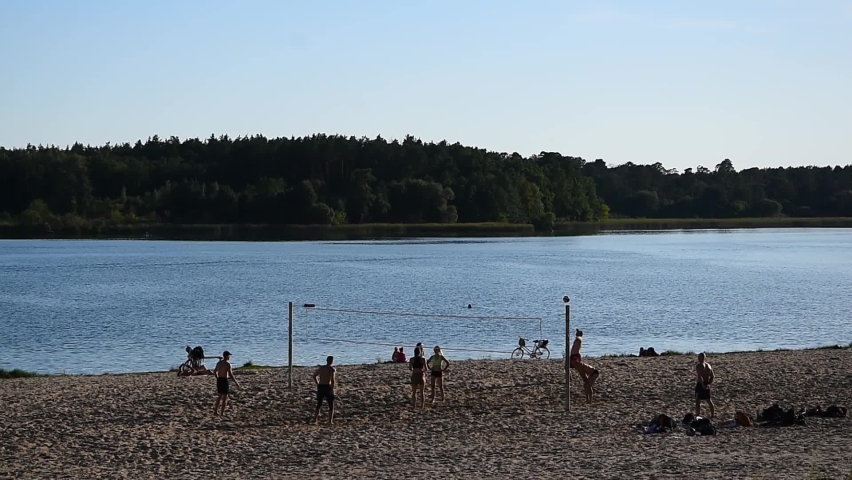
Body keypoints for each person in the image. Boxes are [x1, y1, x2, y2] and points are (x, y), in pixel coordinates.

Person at [569, 329, 600, 404]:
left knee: (587, 386)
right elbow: (583, 376)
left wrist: (578, 336)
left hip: (595, 373)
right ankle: (588, 400)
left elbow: (579, 340)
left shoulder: (579, 364)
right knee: (586, 385)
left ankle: (589, 400)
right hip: (590, 371)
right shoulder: (579, 368)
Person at [212, 351, 240, 415]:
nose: (229, 357)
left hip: (219, 379)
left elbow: (215, 371)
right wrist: (236, 382)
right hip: (224, 380)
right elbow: (230, 374)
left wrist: (217, 378)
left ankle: (216, 411)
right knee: (225, 397)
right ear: (227, 356)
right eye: (229, 356)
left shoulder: (219, 363)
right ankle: (222, 412)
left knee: (219, 396)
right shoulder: (227, 364)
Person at [313, 355, 337, 425]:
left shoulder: (321, 368)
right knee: (331, 404)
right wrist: (332, 389)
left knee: (319, 403)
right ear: (332, 361)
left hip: (321, 386)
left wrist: (317, 384)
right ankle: (330, 421)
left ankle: (315, 419)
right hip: (327, 386)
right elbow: (332, 380)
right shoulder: (331, 369)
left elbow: (314, 376)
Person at [695, 352, 716, 418]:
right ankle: (712, 415)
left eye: (699, 357)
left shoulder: (699, 365)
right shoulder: (708, 365)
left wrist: (702, 384)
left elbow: (699, 376)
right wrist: (709, 384)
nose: (698, 358)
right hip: (706, 384)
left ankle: (697, 415)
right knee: (708, 400)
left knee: (698, 400)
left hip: (700, 384)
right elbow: (712, 376)